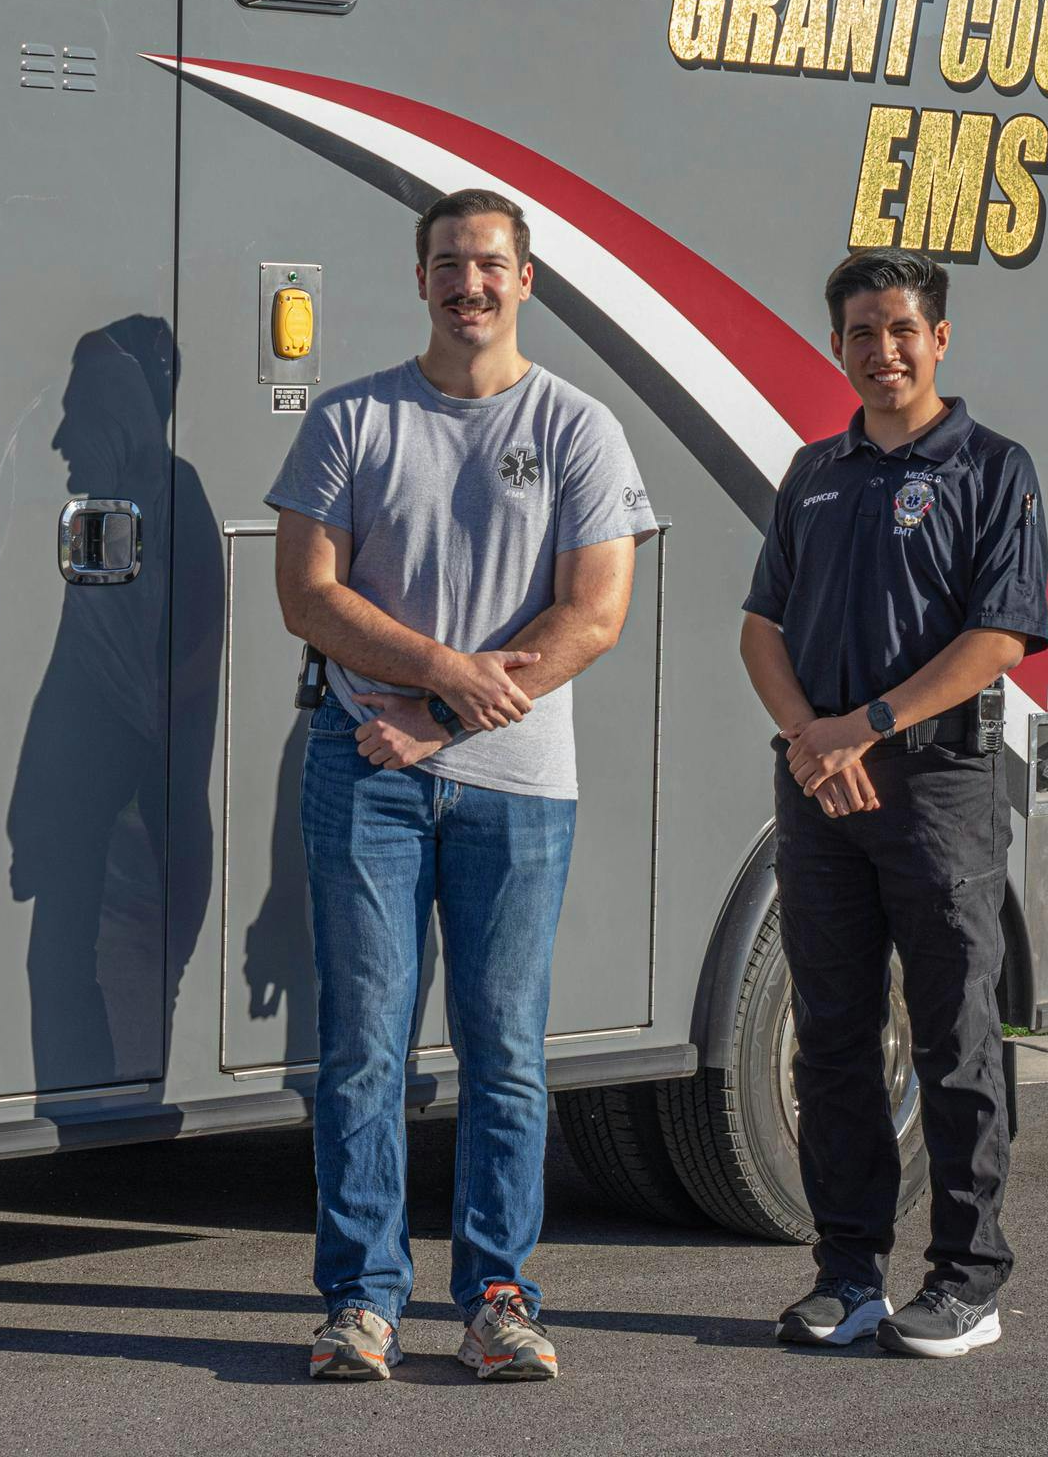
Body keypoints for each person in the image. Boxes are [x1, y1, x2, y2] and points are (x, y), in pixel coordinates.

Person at [267, 188, 657, 1382]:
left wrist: (434, 717)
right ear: (419, 277)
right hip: (359, 773)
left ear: (524, 279)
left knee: (504, 1053)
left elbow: (592, 613)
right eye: (446, 263)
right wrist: (440, 673)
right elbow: (307, 595)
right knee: (362, 1052)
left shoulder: (578, 426)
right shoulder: (350, 419)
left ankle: (496, 1295)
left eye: (488, 264)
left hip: (513, 784)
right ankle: (361, 1302)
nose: (467, 284)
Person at [738, 249, 1048, 1360]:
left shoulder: (990, 468)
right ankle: (847, 1274)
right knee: (830, 1038)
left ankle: (967, 1280)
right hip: (821, 788)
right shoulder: (812, 472)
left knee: (953, 1034)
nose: (882, 350)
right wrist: (808, 741)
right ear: (835, 345)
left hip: (932, 789)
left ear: (940, 339)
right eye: (861, 332)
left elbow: (996, 637)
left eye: (901, 329)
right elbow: (760, 628)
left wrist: (861, 725)